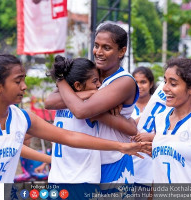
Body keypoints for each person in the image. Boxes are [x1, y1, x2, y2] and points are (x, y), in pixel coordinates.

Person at [0, 53, 149, 183]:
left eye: (24, 80)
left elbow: (70, 137)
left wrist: (121, 147)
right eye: (18, 81)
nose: (25, 86)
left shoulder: (21, 117)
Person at [46, 22, 139, 183]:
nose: (98, 52)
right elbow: (51, 102)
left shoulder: (124, 81)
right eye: (96, 46)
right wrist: (90, 93)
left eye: (106, 47)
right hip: (85, 165)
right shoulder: (88, 73)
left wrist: (62, 82)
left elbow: (81, 111)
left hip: (114, 161)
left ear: (122, 51)